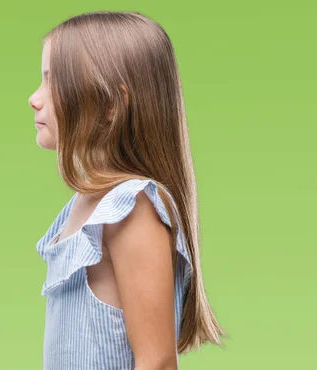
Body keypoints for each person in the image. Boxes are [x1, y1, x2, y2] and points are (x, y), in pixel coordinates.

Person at [28, 11, 227, 370]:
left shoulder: (131, 208)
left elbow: (158, 362)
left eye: (52, 82)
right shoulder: (84, 204)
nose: (34, 98)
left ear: (109, 106)